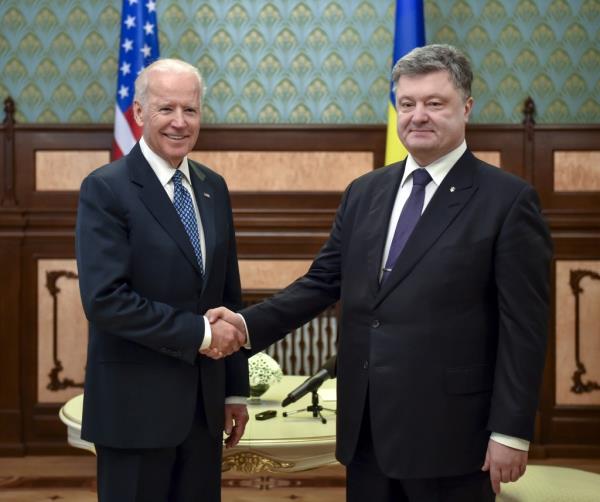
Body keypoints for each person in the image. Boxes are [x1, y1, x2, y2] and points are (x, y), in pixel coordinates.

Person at [206, 45, 552, 501]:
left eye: (434, 103)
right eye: (406, 104)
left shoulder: (507, 201)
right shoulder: (365, 192)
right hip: (366, 428)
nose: (418, 116)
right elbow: (321, 283)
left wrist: (511, 431)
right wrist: (245, 325)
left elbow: (523, 328)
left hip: (452, 435)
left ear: (466, 108)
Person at [75, 58, 249, 502]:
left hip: (203, 413)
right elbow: (106, 300)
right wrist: (201, 332)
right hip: (133, 412)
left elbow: (228, 293)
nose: (179, 122)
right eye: (165, 109)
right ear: (138, 113)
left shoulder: (214, 187)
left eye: (190, 110)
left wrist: (234, 391)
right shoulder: (106, 188)